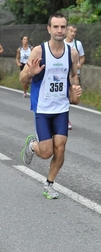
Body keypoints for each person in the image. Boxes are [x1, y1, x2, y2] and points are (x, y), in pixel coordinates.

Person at [19, 13, 82, 199]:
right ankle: (32, 145)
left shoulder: (72, 53)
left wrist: (75, 92)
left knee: (60, 148)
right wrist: (30, 72)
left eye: (63, 27)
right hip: (43, 108)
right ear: (49, 29)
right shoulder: (39, 51)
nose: (60, 30)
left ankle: (49, 184)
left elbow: (72, 76)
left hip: (61, 108)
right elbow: (22, 77)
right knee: (46, 152)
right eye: (56, 27)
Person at [64, 25, 85, 130]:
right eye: (71, 31)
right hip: (64, 74)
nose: (73, 33)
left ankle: (64, 117)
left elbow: (82, 57)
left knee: (73, 98)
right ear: (66, 31)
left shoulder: (78, 44)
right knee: (65, 96)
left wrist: (79, 64)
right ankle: (65, 119)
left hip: (74, 74)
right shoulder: (62, 43)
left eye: (75, 32)